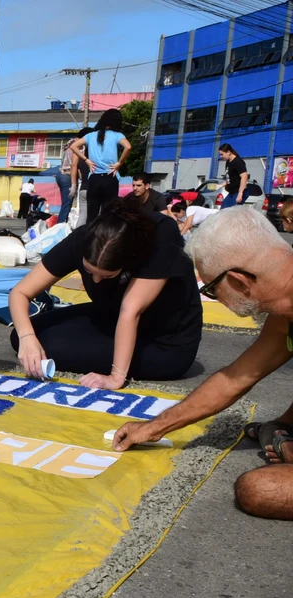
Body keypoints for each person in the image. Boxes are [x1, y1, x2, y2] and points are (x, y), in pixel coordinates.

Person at [113, 208, 293, 519]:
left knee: (259, 490)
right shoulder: (284, 313)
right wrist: (154, 427)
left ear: (238, 281)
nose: (213, 298)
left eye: (210, 289)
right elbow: (235, 378)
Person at [9, 198, 202, 388]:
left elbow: (131, 312)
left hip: (164, 343)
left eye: (107, 276)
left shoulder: (161, 235)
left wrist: (116, 377)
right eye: (89, 271)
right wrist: (27, 338)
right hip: (111, 315)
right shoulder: (84, 237)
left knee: (48, 346)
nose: (95, 280)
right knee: (24, 335)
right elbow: (20, 293)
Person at [69, 109, 132, 223]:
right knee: (108, 215)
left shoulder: (90, 136)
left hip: (94, 178)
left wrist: (86, 160)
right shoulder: (117, 135)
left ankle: (90, 233)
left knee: (91, 216)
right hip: (110, 177)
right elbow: (128, 147)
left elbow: (73, 146)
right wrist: (119, 163)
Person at [218, 144, 250, 209]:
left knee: (231, 212)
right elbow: (229, 178)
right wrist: (220, 186)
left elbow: (244, 176)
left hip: (238, 192)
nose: (221, 156)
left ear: (228, 152)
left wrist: (240, 193)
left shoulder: (238, 162)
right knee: (223, 210)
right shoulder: (228, 162)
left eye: (222, 154)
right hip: (231, 193)